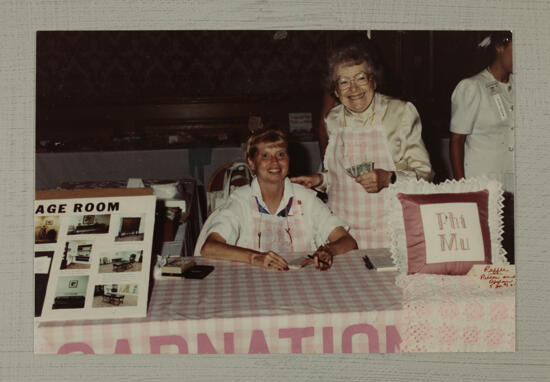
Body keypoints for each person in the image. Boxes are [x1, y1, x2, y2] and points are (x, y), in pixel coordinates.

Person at [291, 40, 433, 249]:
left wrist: (389, 178)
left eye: (360, 78)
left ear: (373, 81)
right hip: (342, 234)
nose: (354, 88)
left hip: (390, 232)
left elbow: (425, 175)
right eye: (344, 82)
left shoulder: (400, 113)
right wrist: (319, 179)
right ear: (336, 91)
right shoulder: (332, 118)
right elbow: (340, 177)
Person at [199, 129, 358, 271]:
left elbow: (347, 241)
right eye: (265, 155)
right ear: (251, 162)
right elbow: (210, 247)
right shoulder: (241, 200)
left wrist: (328, 250)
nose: (274, 162)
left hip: (303, 283)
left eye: (281, 154)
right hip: (251, 283)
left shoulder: (306, 199)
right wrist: (255, 257)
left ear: (289, 159)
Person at [449, 31, 515, 263]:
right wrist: (462, 189)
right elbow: (456, 141)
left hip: (514, 183)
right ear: (500, 46)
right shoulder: (472, 87)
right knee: (488, 253)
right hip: (483, 183)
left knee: (511, 252)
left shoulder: (519, 86)